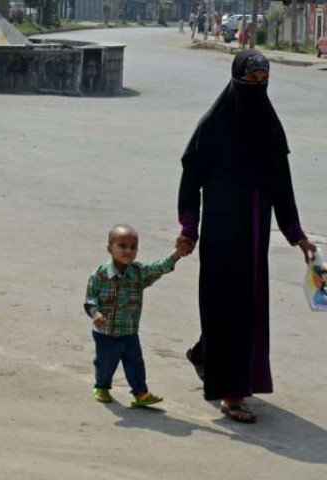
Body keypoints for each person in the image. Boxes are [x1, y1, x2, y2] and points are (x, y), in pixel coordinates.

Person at [177, 50, 316, 423]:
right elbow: (191, 176)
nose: (256, 87)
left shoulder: (270, 127)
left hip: (255, 237)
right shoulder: (213, 125)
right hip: (222, 236)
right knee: (228, 307)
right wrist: (189, 229)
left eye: (262, 81)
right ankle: (232, 395)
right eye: (250, 80)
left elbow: (282, 187)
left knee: (247, 309)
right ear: (236, 80)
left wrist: (297, 236)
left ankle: (207, 354)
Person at [84, 225, 183, 407]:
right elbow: (90, 300)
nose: (128, 251)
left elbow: (158, 268)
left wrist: (176, 255)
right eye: (122, 246)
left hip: (129, 331)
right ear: (109, 248)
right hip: (105, 332)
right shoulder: (99, 275)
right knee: (105, 363)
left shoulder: (138, 273)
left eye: (133, 247)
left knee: (135, 362)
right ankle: (102, 387)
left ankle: (140, 394)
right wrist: (96, 314)